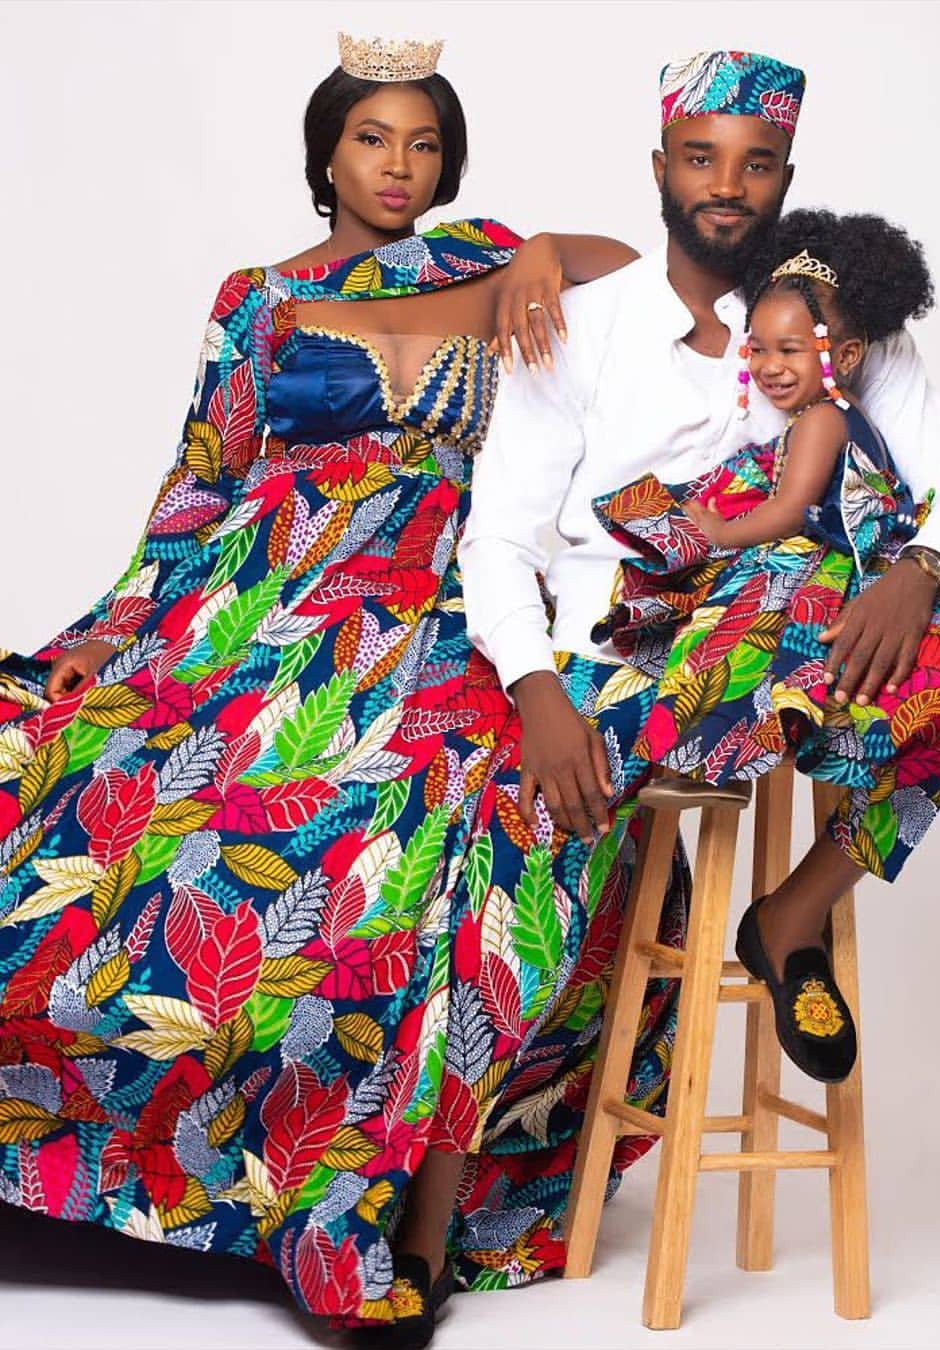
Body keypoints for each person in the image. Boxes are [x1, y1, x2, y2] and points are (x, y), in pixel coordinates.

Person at [0, 33, 660, 1348]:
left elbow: (628, 267)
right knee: (86, 789)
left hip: (434, 606)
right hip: (257, 598)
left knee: (420, 834)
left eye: (423, 144)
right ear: (327, 154)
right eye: (372, 139)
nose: (398, 165)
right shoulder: (258, 299)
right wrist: (112, 630)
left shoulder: (486, 264)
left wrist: (540, 251)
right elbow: (201, 481)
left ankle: (382, 1199)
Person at [459, 47, 940, 1096]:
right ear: (660, 167)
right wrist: (534, 688)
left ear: (785, 181)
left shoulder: (843, 325)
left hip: (791, 642)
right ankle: (470, 1135)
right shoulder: (582, 324)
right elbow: (498, 539)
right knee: (514, 913)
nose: (726, 185)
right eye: (701, 158)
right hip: (620, 654)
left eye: (756, 164)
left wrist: (922, 569)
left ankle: (792, 916)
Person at [588, 208, 940, 1080]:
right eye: (760, 348)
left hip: (852, 582)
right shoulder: (744, 381)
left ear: (845, 354)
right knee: (821, 690)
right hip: (783, 603)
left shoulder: (834, 402)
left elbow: (834, 507)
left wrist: (713, 530)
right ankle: (726, 838)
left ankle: (791, 915)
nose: (769, 364)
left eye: (791, 349)